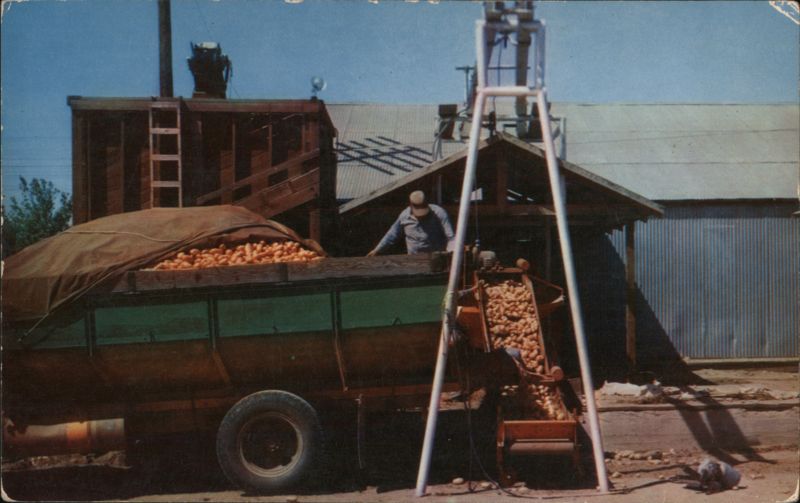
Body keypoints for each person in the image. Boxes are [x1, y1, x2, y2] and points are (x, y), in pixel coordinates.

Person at [367, 190, 455, 256]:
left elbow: (451, 237)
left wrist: (451, 252)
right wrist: (377, 250)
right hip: (413, 258)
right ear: (410, 206)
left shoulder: (439, 213)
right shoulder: (404, 216)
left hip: (436, 258)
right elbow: (392, 234)